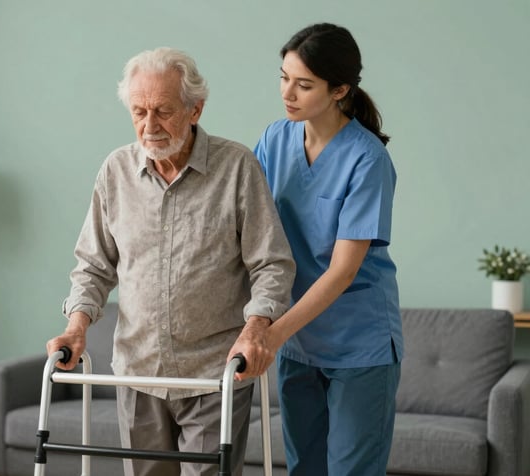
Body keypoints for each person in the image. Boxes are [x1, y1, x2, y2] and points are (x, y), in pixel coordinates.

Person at [47, 47, 295, 476]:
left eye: (162, 111)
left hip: (215, 371)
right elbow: (93, 265)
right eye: (138, 111)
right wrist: (76, 327)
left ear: (195, 108)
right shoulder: (116, 171)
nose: (149, 125)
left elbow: (272, 264)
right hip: (138, 370)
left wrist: (255, 331)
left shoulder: (236, 167)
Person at [228, 23, 403, 475]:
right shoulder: (275, 140)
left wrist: (273, 333)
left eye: (304, 84)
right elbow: (249, 231)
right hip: (298, 341)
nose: (289, 92)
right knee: (303, 467)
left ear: (340, 89)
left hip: (357, 343)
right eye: (283, 77)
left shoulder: (367, 159)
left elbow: (343, 271)